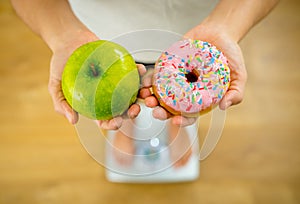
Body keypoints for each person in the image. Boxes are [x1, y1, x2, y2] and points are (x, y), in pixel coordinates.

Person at [11, 0, 278, 167]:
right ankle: (127, 121)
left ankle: (173, 127)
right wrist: (62, 34)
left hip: (200, 31)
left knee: (181, 106)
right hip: (97, 36)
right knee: (124, 100)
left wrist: (226, 27)